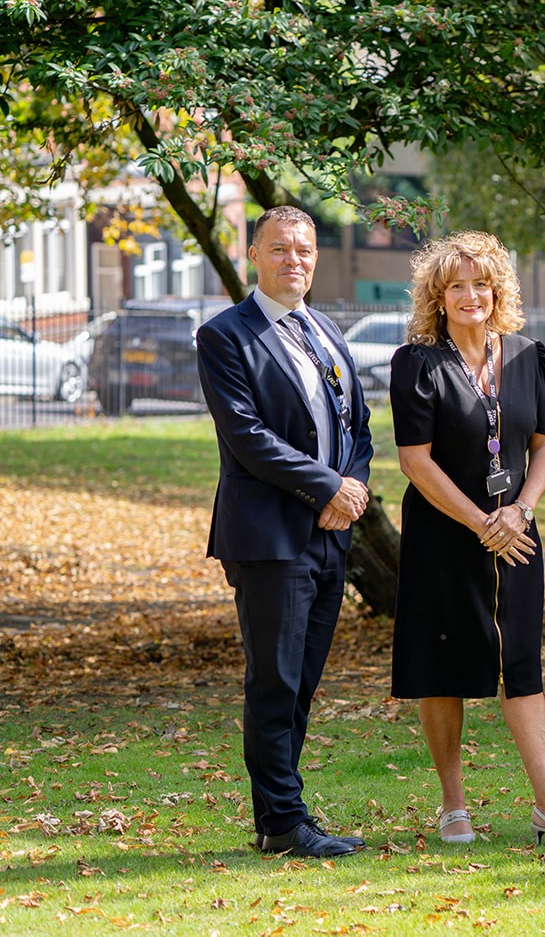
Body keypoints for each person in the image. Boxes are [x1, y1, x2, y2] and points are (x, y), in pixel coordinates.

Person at [388, 231, 545, 852]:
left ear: (497, 290)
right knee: (442, 669)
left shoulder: (530, 356)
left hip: (516, 535)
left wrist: (520, 511)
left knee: (523, 668)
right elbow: (415, 461)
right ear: (437, 296)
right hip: (443, 533)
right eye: (456, 286)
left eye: (481, 284)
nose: (470, 295)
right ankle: (453, 806)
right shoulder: (417, 363)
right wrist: (482, 523)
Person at [196, 206, 373, 858]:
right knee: (274, 681)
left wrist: (350, 488)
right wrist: (326, 488)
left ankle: (281, 817)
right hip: (269, 537)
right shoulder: (225, 336)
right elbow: (248, 438)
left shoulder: (325, 329)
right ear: (253, 255)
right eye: (279, 248)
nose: (292, 259)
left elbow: (358, 427)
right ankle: (283, 820)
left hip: (330, 534)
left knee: (301, 683)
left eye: (303, 249)